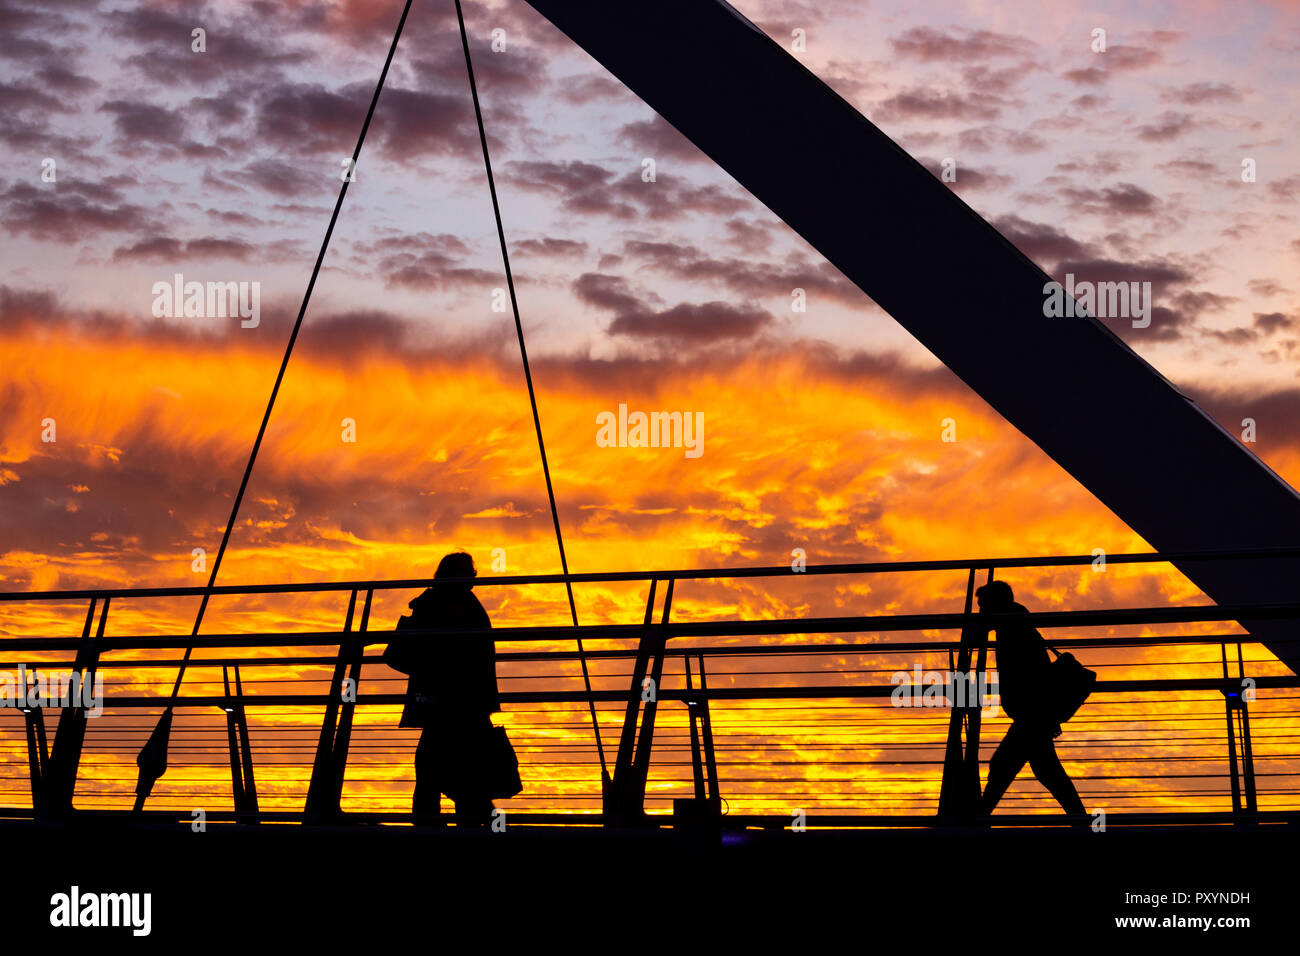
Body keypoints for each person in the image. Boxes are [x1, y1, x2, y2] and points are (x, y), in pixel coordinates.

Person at [383, 552, 500, 827]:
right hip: (464, 701)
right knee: (460, 767)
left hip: (442, 700)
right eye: (469, 575)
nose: (472, 580)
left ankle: (435, 824)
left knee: (434, 766)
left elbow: (403, 653)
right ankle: (472, 822)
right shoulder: (465, 605)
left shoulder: (433, 602)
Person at [977, 580, 1087, 820]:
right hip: (1034, 711)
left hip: (1031, 711)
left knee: (1004, 767)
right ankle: (1081, 822)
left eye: (982, 605)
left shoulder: (1011, 623)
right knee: (1046, 771)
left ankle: (977, 821)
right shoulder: (1017, 622)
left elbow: (982, 628)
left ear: (996, 604)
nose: (980, 612)